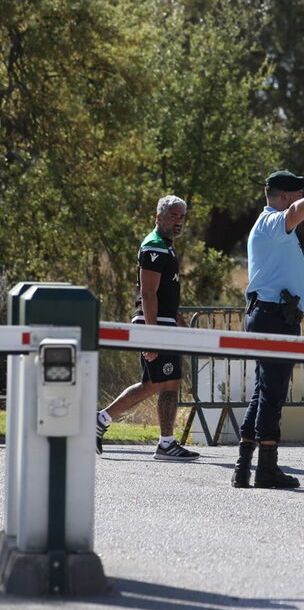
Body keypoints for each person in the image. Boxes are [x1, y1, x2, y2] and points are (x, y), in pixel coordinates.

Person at [231, 169, 304, 489]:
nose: (303, 204)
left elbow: (294, 213)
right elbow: (294, 213)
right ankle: (266, 468)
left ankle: (244, 466)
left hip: (272, 315)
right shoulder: (271, 222)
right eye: (297, 196)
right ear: (283, 197)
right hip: (273, 316)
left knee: (263, 391)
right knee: (273, 393)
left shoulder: (271, 228)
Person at [95, 195, 200, 461]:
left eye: (182, 217)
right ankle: (166, 444)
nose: (178, 222)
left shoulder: (167, 247)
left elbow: (165, 293)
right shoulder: (154, 247)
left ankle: (100, 420)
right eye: (173, 216)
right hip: (154, 325)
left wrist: (177, 320)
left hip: (163, 323)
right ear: (159, 217)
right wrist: (151, 337)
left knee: (153, 383)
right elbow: (149, 294)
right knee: (168, 383)